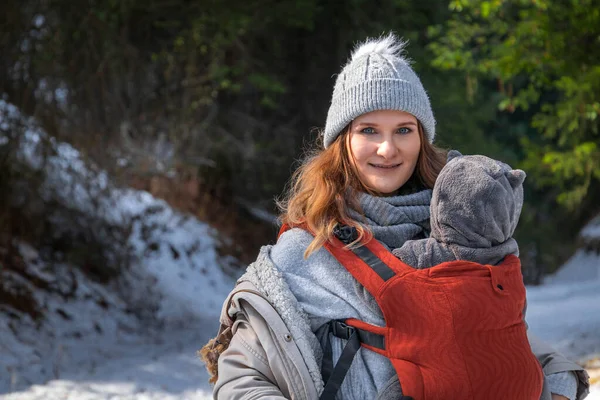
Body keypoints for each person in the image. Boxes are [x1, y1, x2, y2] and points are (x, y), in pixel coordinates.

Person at [201, 33, 590, 400]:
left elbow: (497, 334)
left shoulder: (462, 227)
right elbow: (242, 377)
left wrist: (558, 382)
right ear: (342, 142)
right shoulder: (304, 250)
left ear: (422, 139)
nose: (387, 149)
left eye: (403, 129)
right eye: (369, 129)